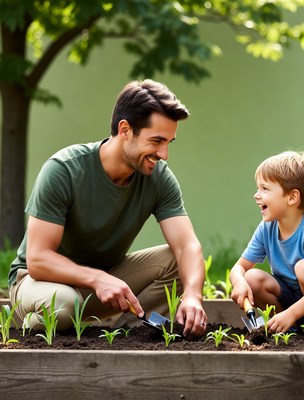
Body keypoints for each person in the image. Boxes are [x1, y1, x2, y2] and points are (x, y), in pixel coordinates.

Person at [8, 79, 207, 336]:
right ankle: (32, 330)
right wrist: (97, 278)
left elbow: (187, 246)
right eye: (157, 141)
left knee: (177, 259)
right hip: (38, 284)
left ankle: (124, 335)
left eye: (169, 142)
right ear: (125, 129)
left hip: (100, 284)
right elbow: (38, 259)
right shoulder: (64, 170)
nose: (164, 154)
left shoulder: (158, 177)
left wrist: (193, 295)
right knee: (65, 304)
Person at [229, 150, 304, 334]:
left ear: (292, 197)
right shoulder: (267, 228)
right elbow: (239, 268)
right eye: (258, 188)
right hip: (294, 297)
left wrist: (292, 312)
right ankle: (287, 327)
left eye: (265, 189)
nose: (256, 195)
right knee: (252, 278)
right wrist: (239, 281)